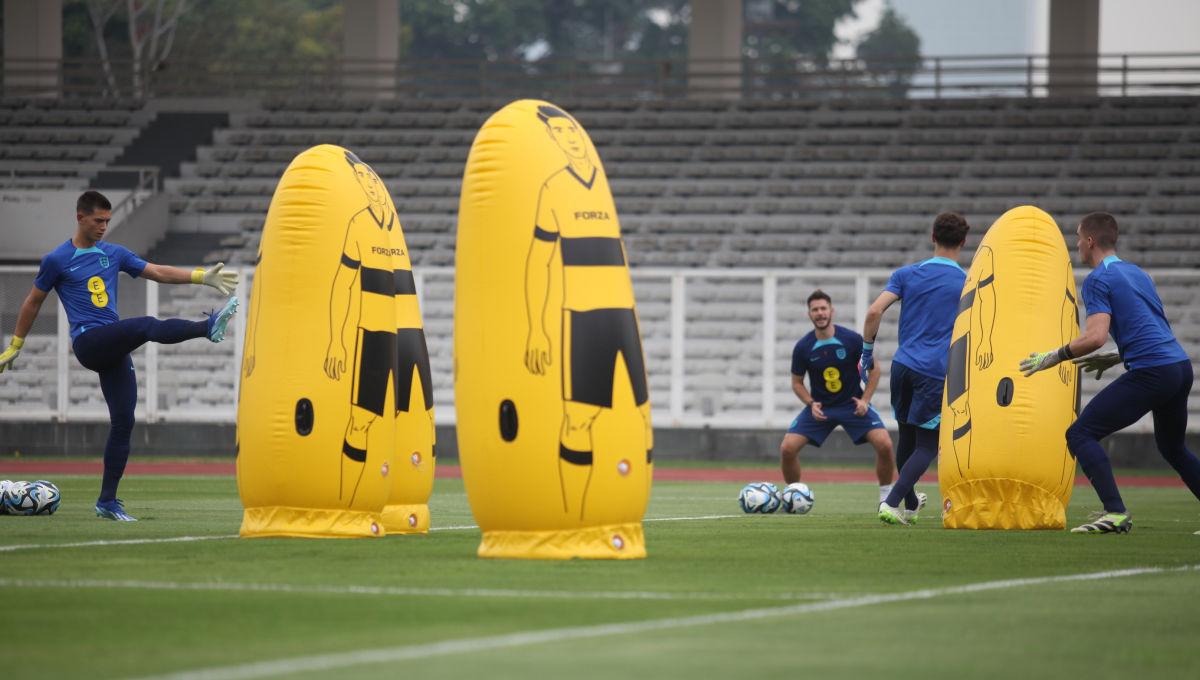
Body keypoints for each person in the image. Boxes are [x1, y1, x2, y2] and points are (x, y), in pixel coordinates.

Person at [0, 191, 239, 521]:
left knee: (125, 421)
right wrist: (16, 344)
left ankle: (107, 502)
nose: (104, 227)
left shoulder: (114, 253)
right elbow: (32, 302)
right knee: (144, 326)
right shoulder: (57, 259)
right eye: (98, 220)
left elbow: (156, 271)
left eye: (108, 221)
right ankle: (208, 327)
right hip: (89, 342)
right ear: (80, 217)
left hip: (111, 344)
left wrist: (201, 277)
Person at [1020, 212, 1200, 534]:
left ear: (1090, 241)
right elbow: (1156, 329)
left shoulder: (1097, 279)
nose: (1077, 246)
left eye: (1078, 239)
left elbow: (1095, 336)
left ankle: (1115, 512)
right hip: (1178, 368)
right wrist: (1119, 356)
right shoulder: (1137, 273)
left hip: (1153, 372)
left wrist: (1054, 357)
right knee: (1173, 448)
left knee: (1079, 434)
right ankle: (1115, 511)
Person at [523, 104, 652, 519]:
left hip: (622, 316)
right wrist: (537, 330)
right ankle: (573, 514)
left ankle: (627, 509)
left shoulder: (601, 185)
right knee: (578, 418)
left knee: (640, 416)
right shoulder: (553, 188)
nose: (572, 137)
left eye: (573, 131)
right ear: (557, 142)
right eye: (562, 133)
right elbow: (537, 262)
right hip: (582, 317)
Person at [866, 212, 971, 525]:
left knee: (906, 440)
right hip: (935, 371)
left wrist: (865, 353)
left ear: (932, 237)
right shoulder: (968, 283)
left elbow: (874, 311)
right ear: (963, 242)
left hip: (903, 366)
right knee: (927, 445)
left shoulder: (907, 274)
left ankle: (910, 503)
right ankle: (891, 502)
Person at [781, 290, 896, 507]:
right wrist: (810, 403)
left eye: (823, 308)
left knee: (885, 444)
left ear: (831, 311)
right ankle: (793, 496)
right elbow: (797, 382)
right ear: (809, 314)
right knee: (787, 448)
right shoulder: (803, 347)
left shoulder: (851, 340)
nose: (820, 313)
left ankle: (885, 497)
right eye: (815, 310)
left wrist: (865, 400)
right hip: (821, 408)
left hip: (852, 405)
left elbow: (875, 370)